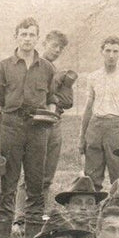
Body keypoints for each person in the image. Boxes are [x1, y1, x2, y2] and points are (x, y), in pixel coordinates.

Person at [0, 17, 60, 238]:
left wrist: (49, 117)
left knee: (36, 186)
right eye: (23, 34)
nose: (27, 39)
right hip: (11, 127)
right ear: (16, 37)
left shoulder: (48, 68)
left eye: (32, 35)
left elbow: (52, 100)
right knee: (7, 186)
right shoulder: (3, 67)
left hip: (38, 130)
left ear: (38, 38)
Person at [80, 35, 119, 189]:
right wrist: (82, 136)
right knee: (91, 175)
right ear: (102, 52)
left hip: (117, 127)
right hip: (95, 126)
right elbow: (88, 108)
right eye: (108, 51)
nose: (111, 55)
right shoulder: (93, 77)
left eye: (115, 51)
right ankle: (93, 210)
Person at [38, 30, 76, 205]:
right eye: (54, 45)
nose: (57, 50)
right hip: (39, 122)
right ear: (45, 43)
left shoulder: (56, 70)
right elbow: (42, 95)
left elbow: (68, 102)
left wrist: (64, 83)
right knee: (34, 172)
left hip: (55, 121)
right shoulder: (36, 65)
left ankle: (40, 212)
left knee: (48, 173)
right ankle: (21, 216)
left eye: (61, 48)